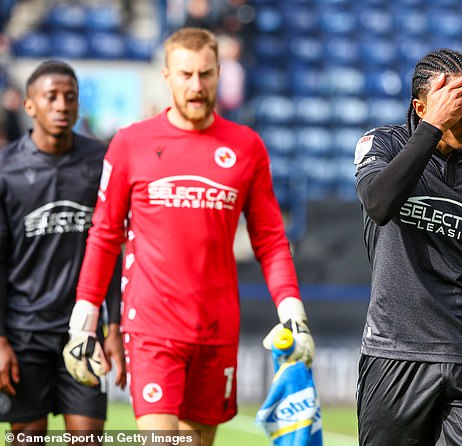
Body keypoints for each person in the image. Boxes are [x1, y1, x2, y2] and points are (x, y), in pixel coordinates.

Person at [62, 27, 314, 446]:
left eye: (205, 74)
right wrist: (83, 320)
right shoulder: (130, 144)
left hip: (217, 327)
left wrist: (292, 310)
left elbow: (269, 239)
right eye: (185, 75)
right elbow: (104, 235)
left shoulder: (247, 147)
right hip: (152, 325)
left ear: (219, 74)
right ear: (167, 76)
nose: (196, 86)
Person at [354, 48, 462, 445]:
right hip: (395, 355)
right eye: (457, 107)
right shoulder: (382, 145)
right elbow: (379, 204)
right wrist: (431, 128)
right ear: (421, 107)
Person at [0, 60, 125, 441]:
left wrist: (114, 326)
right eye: (50, 97)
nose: (61, 105)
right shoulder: (5, 170)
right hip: (24, 337)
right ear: (29, 105)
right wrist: (0, 340)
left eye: (70, 97)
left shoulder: (101, 163)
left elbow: (115, 253)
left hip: (82, 332)